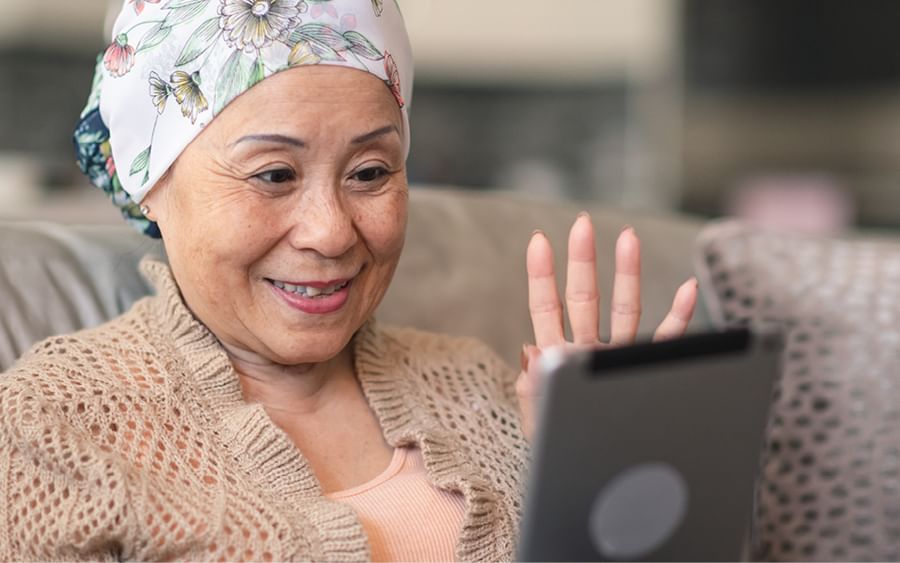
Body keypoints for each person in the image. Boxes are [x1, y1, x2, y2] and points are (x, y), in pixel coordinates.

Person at [0, 0, 697, 560]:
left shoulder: (485, 389)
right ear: (149, 182)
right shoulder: (49, 427)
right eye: (274, 174)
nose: (331, 231)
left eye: (370, 173)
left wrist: (601, 485)